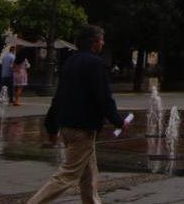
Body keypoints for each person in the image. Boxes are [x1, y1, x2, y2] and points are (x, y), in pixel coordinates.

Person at [28, 26, 127, 204]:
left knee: (89, 172)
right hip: (83, 128)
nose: (103, 43)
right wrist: (118, 121)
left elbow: (59, 96)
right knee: (68, 174)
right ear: (94, 42)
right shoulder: (95, 64)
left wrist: (51, 126)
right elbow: (103, 97)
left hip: (67, 126)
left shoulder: (71, 61)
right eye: (102, 40)